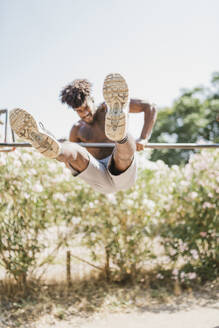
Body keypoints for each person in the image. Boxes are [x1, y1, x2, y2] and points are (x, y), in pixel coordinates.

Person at [9, 73, 157, 194]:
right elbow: (71, 163)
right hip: (98, 172)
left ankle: (120, 133)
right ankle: (52, 144)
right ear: (75, 111)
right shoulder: (77, 129)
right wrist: (65, 156)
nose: (85, 113)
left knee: (121, 151)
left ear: (92, 99)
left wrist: (144, 137)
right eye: (80, 111)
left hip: (122, 170)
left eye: (86, 107)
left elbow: (149, 107)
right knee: (74, 150)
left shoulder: (107, 108)